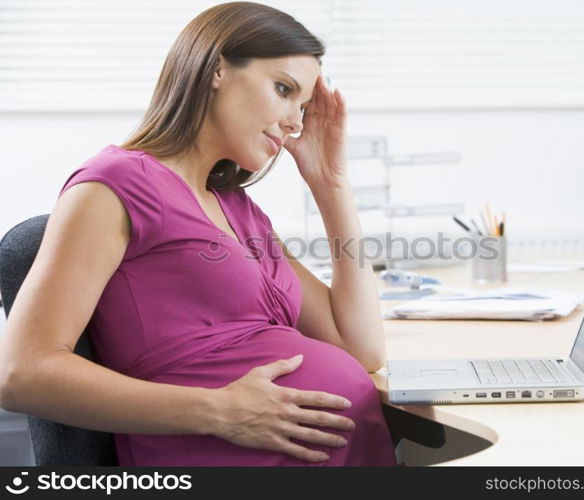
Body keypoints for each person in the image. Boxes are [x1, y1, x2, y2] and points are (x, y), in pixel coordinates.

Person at [0, 2, 397, 466]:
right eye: (284, 89)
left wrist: (331, 185)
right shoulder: (114, 185)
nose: (295, 121)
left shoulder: (239, 210)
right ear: (217, 69)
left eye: (304, 107)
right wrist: (219, 412)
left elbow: (362, 348)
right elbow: (22, 373)